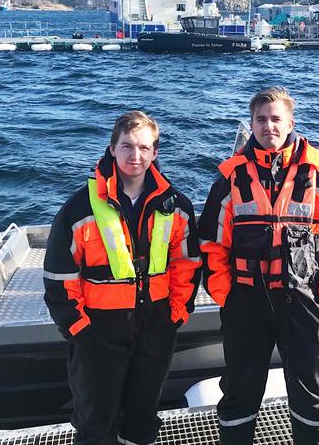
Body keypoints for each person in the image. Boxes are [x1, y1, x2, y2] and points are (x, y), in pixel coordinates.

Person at [198, 87, 319, 445]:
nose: (268, 125)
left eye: (275, 119)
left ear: (290, 124)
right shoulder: (229, 180)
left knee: (311, 393)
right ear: (251, 125)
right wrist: (226, 295)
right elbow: (210, 244)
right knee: (239, 391)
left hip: (303, 302)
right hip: (246, 303)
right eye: (260, 119)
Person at [44, 111, 201, 445]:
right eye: (127, 146)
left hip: (155, 327)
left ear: (154, 153)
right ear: (112, 148)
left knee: (142, 419)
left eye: (144, 148)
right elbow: (59, 277)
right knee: (96, 423)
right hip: (97, 333)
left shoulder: (176, 207)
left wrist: (175, 314)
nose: (136, 155)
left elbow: (187, 265)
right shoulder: (79, 208)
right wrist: (80, 330)